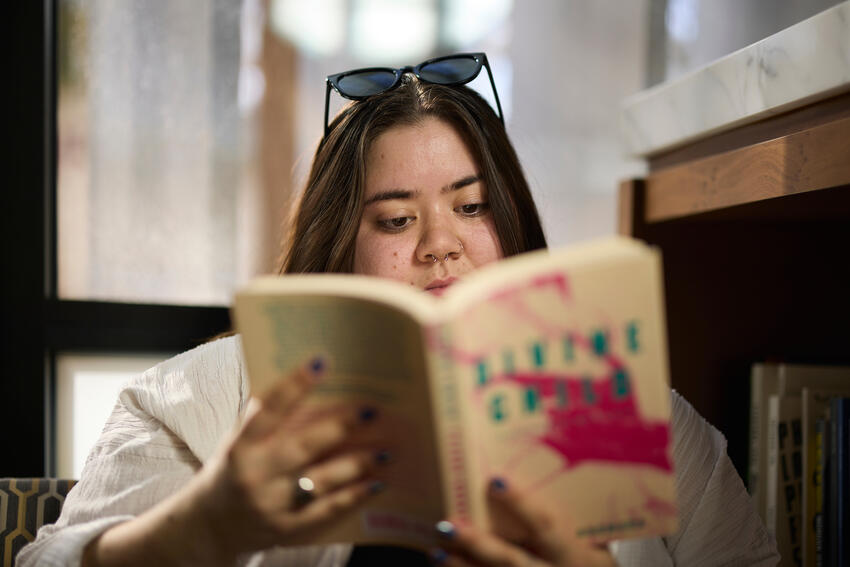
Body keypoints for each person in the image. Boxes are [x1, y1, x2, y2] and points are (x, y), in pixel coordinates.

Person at [19, 53, 778, 567]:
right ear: (340, 242)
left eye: (472, 205)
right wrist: (209, 522)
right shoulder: (191, 401)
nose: (440, 246)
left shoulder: (656, 427)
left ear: (512, 223)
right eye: (394, 219)